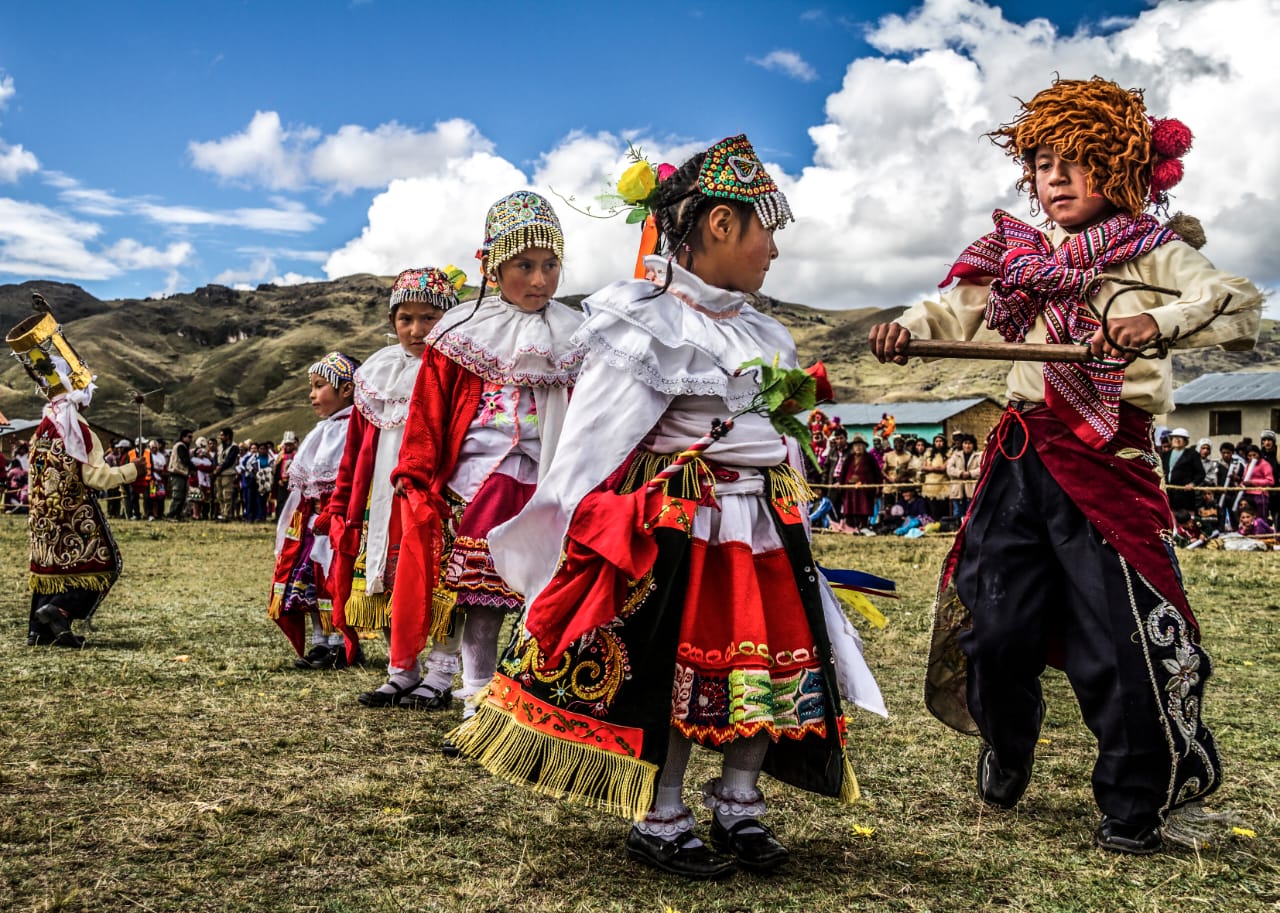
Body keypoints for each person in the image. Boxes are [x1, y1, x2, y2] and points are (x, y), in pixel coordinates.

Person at [449, 136, 885, 879]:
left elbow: (781, 439)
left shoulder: (760, 331)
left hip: (764, 532)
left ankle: (741, 801)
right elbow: (592, 441)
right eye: (765, 228)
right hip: (686, 529)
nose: (775, 249)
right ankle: (663, 812)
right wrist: (558, 524)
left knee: (772, 671)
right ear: (719, 225)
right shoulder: (643, 323)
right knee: (674, 671)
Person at [868, 77, 1262, 854]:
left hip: (1108, 456)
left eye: (1077, 160)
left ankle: (1134, 799)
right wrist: (906, 329)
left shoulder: (1158, 251)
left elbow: (1239, 302)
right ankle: (1006, 743)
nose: (1055, 176)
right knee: (994, 621)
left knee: (1119, 636)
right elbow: (949, 308)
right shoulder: (1015, 255)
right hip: (1020, 457)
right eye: (1044, 161)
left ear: (1118, 169)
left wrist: (1159, 317)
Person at [390, 200, 585, 718]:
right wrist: (415, 474)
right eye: (524, 265)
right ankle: (475, 696)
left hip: (553, 478)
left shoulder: (580, 333)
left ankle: (535, 701)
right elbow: (428, 412)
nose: (540, 279)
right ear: (493, 267)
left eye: (550, 265)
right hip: (481, 479)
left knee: (549, 595)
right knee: (481, 596)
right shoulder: (461, 332)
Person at [320, 268, 452, 676]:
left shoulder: (457, 370)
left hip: (435, 497)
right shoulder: (375, 375)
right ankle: (402, 669)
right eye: (404, 319)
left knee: (441, 585)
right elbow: (356, 451)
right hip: (384, 500)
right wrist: (343, 504)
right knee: (391, 581)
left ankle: (441, 672)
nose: (416, 329)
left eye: (429, 318)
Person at [7, 306, 145, 646]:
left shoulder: (43, 427)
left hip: (43, 516)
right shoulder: (77, 430)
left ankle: (40, 632)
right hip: (73, 511)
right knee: (107, 562)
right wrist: (133, 471)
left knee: (50, 570)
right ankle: (61, 612)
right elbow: (96, 477)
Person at [270, 352, 361, 668]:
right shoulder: (322, 430)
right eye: (311, 386)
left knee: (332, 581)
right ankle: (320, 641)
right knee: (308, 580)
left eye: (320, 386)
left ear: (347, 389)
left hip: (338, 521)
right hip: (311, 522)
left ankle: (340, 643)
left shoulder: (355, 429)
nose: (312, 394)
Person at [837, 434, 881, 531]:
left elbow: (878, 474)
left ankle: (863, 525)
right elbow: (843, 472)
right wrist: (841, 483)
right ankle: (851, 526)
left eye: (860, 445)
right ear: (853, 447)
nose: (858, 448)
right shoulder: (849, 458)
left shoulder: (870, 458)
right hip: (850, 488)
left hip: (864, 488)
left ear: (864, 447)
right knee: (850, 507)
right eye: (856, 446)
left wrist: (878, 487)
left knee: (863, 507)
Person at [1165, 427, 1204, 513]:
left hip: (1185, 495)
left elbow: (1201, 473)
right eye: (1175, 437)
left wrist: (1192, 483)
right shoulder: (1165, 455)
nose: (1177, 440)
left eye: (1180, 438)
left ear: (1186, 441)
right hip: (1169, 494)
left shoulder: (1192, 454)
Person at [946, 434, 982, 518]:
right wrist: (960, 473)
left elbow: (982, 469)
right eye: (965, 443)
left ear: (973, 445)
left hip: (972, 490)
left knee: (971, 514)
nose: (967, 446)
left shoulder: (978, 456)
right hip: (957, 490)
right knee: (957, 513)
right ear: (962, 444)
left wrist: (970, 473)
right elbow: (949, 469)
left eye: (970, 443)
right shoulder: (955, 455)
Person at [1240, 443, 1274, 519]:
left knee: (1260, 518)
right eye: (1249, 456)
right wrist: (1242, 484)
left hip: (1260, 495)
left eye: (1254, 455)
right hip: (1248, 495)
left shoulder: (1264, 464)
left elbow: (1270, 481)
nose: (1252, 457)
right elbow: (1244, 479)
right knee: (1249, 518)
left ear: (1258, 454)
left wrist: (1252, 482)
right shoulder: (1248, 465)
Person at [920, 434, 949, 520]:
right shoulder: (928, 453)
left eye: (940, 441)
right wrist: (935, 468)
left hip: (942, 488)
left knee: (941, 511)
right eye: (936, 441)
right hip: (929, 488)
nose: (938, 443)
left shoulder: (949, 453)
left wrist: (930, 468)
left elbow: (943, 468)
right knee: (931, 512)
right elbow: (923, 467)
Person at [212, 428, 238, 520]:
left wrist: (220, 467)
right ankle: (222, 512)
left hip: (228, 473)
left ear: (228, 436)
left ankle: (227, 514)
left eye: (222, 435)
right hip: (218, 473)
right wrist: (215, 467)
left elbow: (229, 460)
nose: (220, 437)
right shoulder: (220, 447)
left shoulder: (234, 447)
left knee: (227, 494)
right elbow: (215, 458)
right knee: (219, 495)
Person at [166, 429, 193, 521]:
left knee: (182, 496)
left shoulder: (183, 446)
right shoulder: (180, 446)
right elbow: (185, 460)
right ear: (183, 437)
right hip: (177, 472)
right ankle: (171, 515)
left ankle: (178, 515)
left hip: (182, 473)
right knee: (178, 496)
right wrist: (193, 467)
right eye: (189, 437)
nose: (191, 439)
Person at [272, 431, 297, 521]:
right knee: (280, 501)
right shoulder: (281, 455)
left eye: (290, 445)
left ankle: (290, 519)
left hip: (293, 482)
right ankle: (279, 518)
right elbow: (277, 469)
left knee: (292, 501)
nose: (288, 447)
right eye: (286, 445)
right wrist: (278, 479)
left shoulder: (297, 455)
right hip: (282, 482)